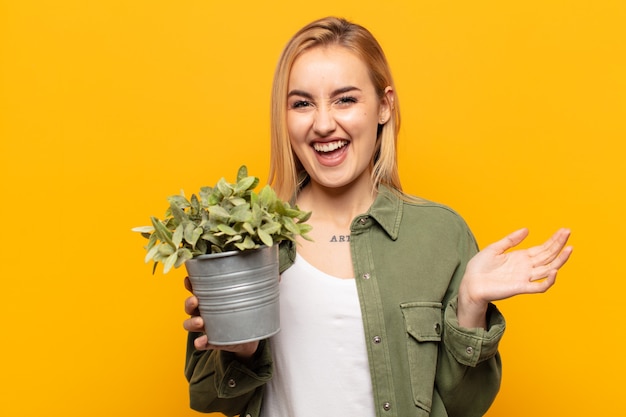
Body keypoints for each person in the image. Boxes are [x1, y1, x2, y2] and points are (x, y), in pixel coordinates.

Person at [183, 16, 572, 417]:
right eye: (302, 103)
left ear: (384, 106)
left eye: (345, 99)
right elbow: (206, 399)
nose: (322, 123)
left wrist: (470, 306)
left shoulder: (440, 235)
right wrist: (242, 350)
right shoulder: (243, 241)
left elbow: (465, 405)